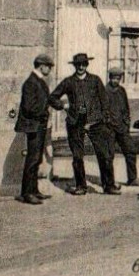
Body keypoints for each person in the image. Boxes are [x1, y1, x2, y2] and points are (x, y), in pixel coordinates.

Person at [48, 53, 119, 195]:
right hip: (75, 123)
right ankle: (81, 186)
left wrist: (104, 120)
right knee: (77, 156)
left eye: (84, 64)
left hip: (95, 122)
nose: (81, 67)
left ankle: (109, 185)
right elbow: (52, 97)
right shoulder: (68, 82)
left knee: (104, 154)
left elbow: (104, 101)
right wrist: (63, 106)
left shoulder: (95, 80)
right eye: (78, 64)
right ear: (74, 66)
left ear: (87, 65)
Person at [15, 53, 54, 204]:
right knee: (32, 159)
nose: (49, 69)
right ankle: (26, 193)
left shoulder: (39, 81)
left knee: (36, 158)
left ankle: (34, 190)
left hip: (39, 125)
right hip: (33, 126)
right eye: (48, 66)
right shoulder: (31, 82)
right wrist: (44, 112)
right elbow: (29, 107)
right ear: (41, 66)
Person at [104, 65, 139, 187]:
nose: (116, 81)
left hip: (122, 128)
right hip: (109, 129)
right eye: (113, 78)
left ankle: (132, 179)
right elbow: (101, 110)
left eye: (118, 78)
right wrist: (107, 123)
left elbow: (126, 109)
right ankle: (109, 182)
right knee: (108, 156)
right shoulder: (104, 91)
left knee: (131, 151)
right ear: (110, 78)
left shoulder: (122, 91)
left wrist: (126, 123)